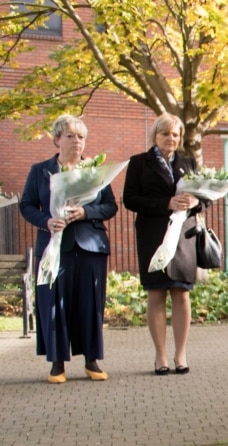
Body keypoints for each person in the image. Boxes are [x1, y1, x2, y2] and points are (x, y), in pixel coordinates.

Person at [19, 114, 118, 383]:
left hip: (90, 247)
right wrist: (46, 221)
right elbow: (26, 205)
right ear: (57, 139)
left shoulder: (95, 170)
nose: (77, 141)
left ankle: (92, 361)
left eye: (81, 137)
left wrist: (86, 212)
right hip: (53, 246)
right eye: (71, 136)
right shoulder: (40, 171)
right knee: (54, 303)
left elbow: (110, 206)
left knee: (90, 304)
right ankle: (57, 364)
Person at [122, 113, 203, 376]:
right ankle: (161, 357)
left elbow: (205, 197)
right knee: (156, 295)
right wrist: (165, 203)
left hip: (183, 237)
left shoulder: (188, 163)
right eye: (165, 133)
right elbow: (130, 199)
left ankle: (181, 355)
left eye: (175, 134)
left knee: (181, 294)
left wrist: (195, 203)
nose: (171, 138)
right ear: (155, 135)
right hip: (152, 236)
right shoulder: (139, 163)